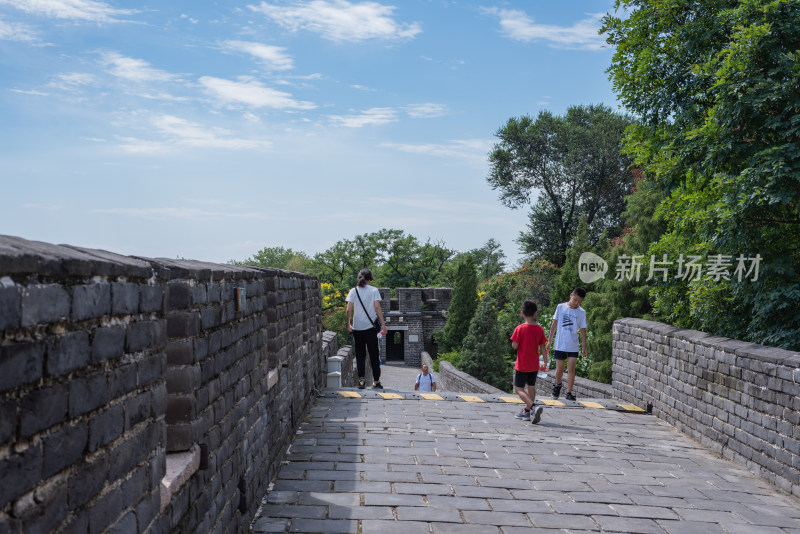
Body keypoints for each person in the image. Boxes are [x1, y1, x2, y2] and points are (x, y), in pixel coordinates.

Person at [345, 269, 388, 389]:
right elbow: (377, 307)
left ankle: (362, 381)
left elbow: (348, 309)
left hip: (357, 329)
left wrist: (348, 324)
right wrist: (383, 325)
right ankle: (376, 381)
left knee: (360, 355)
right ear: (369, 279)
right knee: (374, 355)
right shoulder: (374, 290)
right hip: (371, 328)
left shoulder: (353, 291)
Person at [510, 299, 548, 424]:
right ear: (535, 313)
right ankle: (527, 412)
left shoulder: (520, 328)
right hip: (534, 364)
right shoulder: (539, 329)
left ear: (522, 313)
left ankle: (533, 407)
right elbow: (543, 346)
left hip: (522, 365)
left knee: (519, 389)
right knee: (531, 386)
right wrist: (545, 362)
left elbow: (514, 346)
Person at [548, 287, 587, 401]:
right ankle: (558, 385)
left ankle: (569, 392)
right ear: (571, 295)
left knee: (571, 368)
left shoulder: (581, 312)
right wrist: (549, 340)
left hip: (573, 345)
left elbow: (583, 329)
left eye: (579, 302)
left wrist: (584, 346)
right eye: (575, 300)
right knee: (559, 368)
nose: (576, 303)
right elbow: (554, 324)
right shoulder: (560, 307)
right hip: (560, 343)